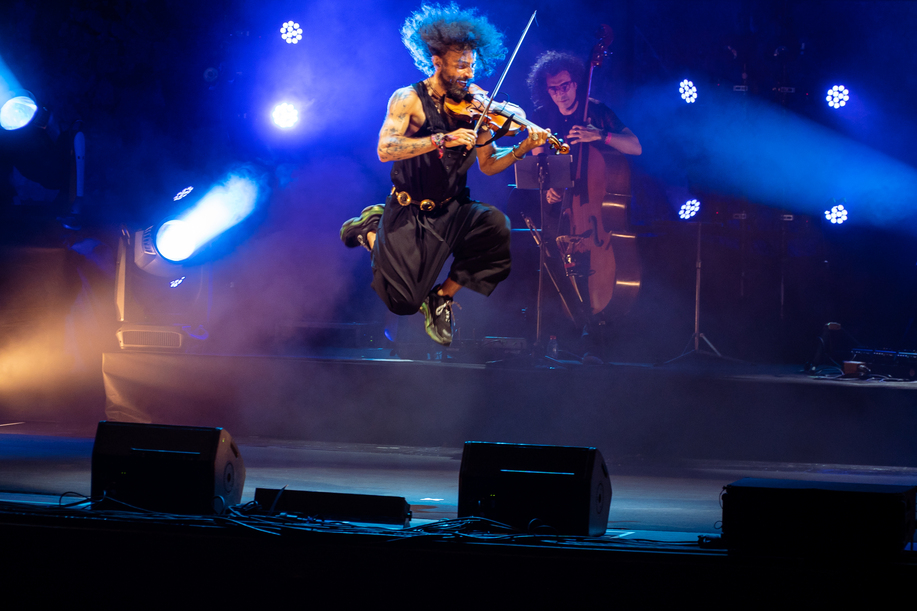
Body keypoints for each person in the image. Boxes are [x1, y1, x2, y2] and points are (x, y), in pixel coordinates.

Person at [340, 3, 549, 346]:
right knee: (403, 303)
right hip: (409, 208)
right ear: (437, 62)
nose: (469, 73)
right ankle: (371, 228)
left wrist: (523, 147)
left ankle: (442, 298)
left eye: (472, 65)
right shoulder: (408, 98)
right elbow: (385, 149)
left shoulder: (475, 107)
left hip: (453, 207)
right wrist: (442, 139)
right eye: (461, 65)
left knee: (496, 227)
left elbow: (488, 164)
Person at [526, 50, 641, 204]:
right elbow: (540, 161)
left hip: (596, 196)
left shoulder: (597, 110)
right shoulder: (541, 116)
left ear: (575, 84)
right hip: (560, 203)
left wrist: (600, 135)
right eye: (553, 89)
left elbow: (635, 147)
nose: (560, 94)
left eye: (565, 86)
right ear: (546, 90)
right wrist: (549, 189)